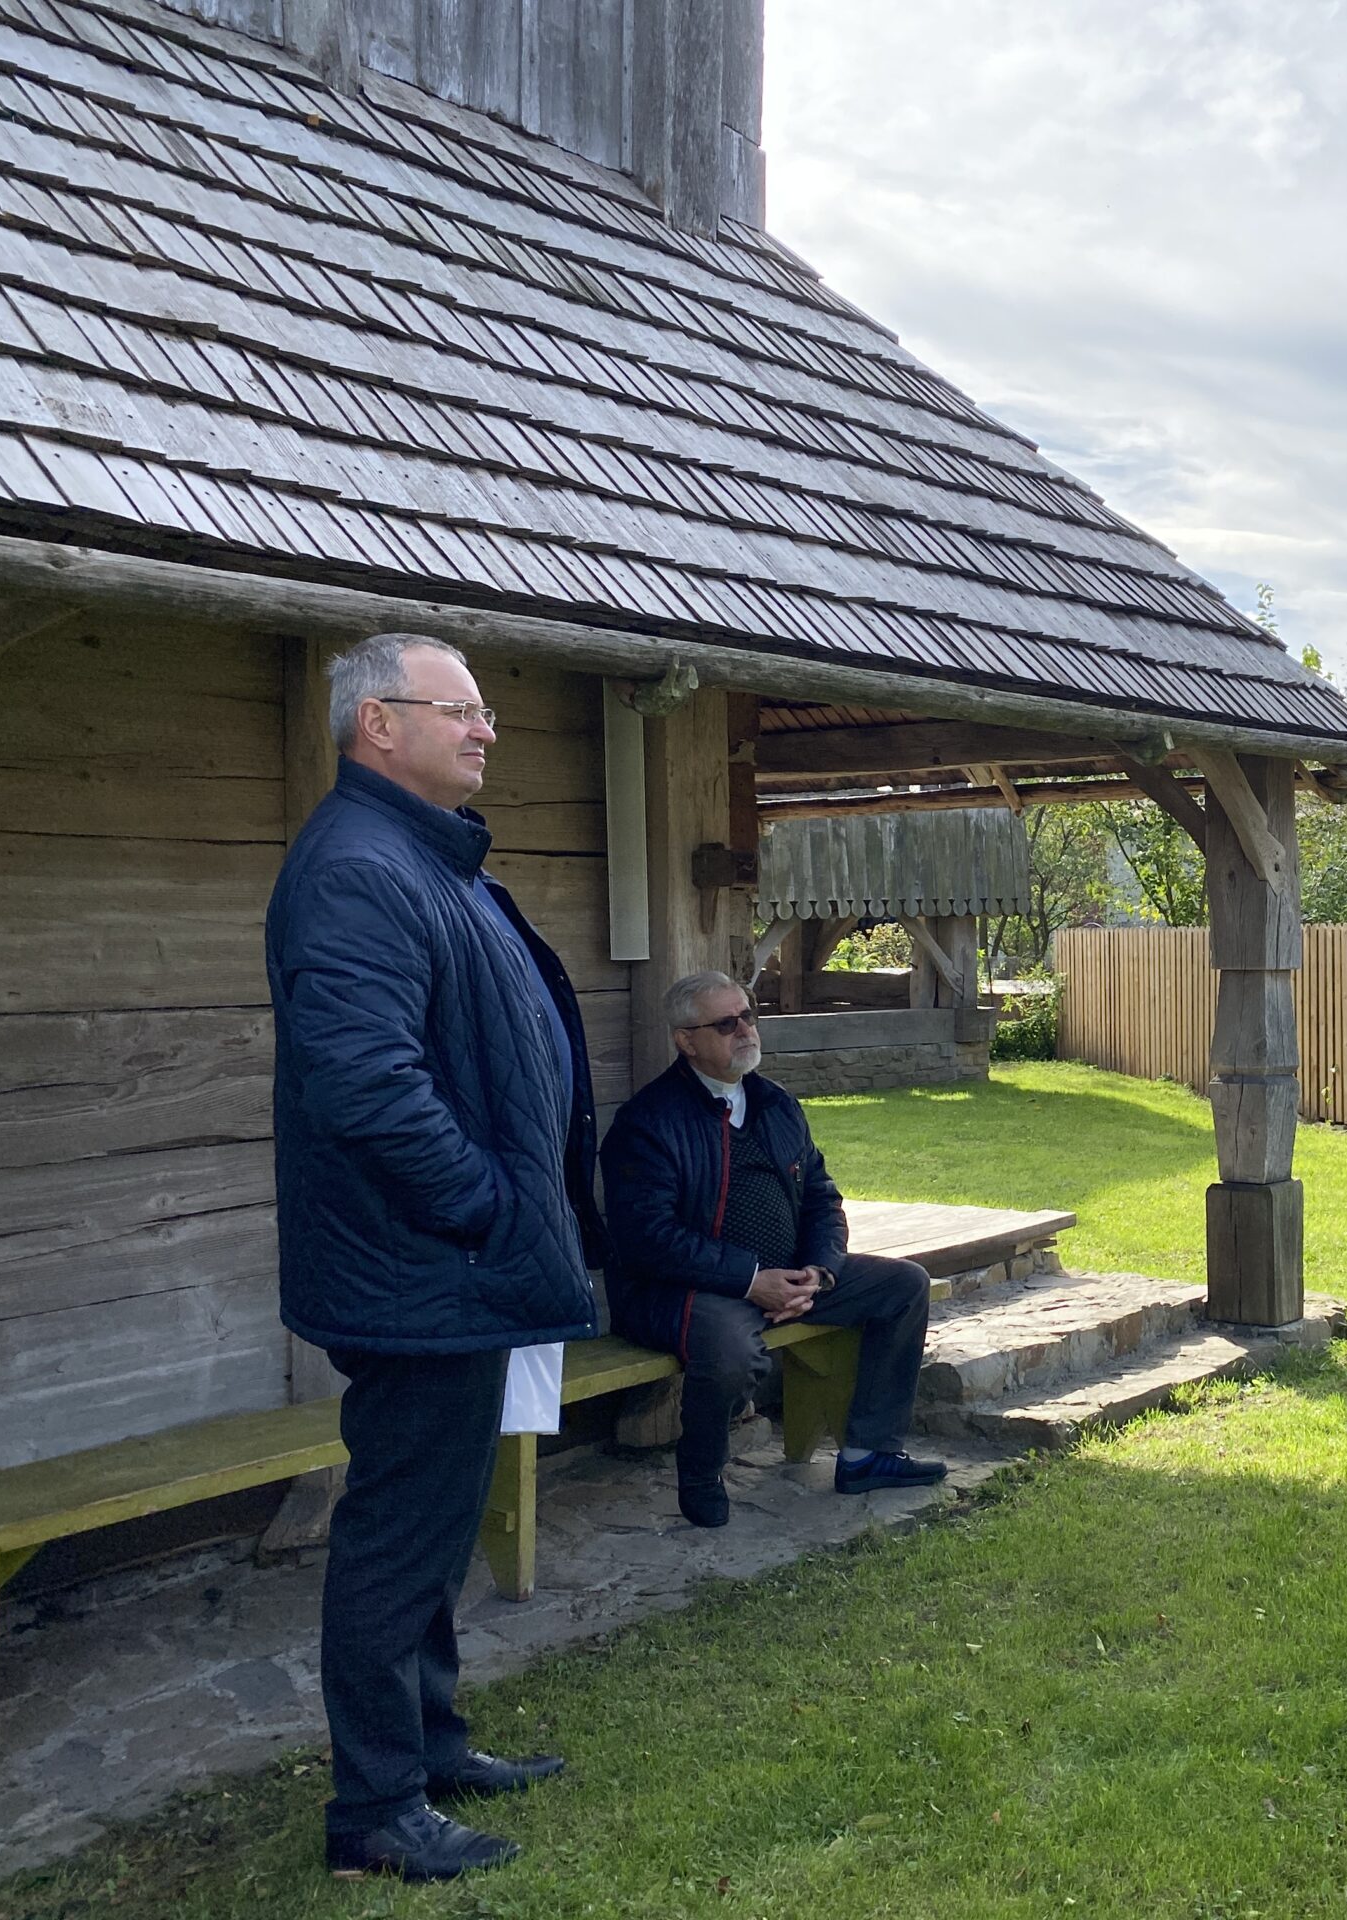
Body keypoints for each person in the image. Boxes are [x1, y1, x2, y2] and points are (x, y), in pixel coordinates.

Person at [266, 632, 602, 1883]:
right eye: (456, 710)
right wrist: (485, 1210)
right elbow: (365, 1083)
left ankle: (433, 1744)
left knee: (438, 1516)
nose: (486, 730)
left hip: (449, 1265)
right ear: (376, 728)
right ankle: (374, 1812)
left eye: (487, 712)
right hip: (419, 1266)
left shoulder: (424, 857)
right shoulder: (359, 867)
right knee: (397, 1535)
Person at [601, 971, 945, 1527]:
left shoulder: (776, 1105)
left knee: (904, 1285)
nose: (745, 1030)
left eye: (748, 1016)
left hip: (782, 1276)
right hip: (683, 1289)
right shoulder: (649, 1123)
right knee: (734, 1349)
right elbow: (647, 1240)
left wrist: (818, 1271)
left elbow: (821, 1199)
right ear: (686, 1040)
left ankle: (867, 1454)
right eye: (725, 1023)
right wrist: (750, 1279)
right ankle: (701, 1471)